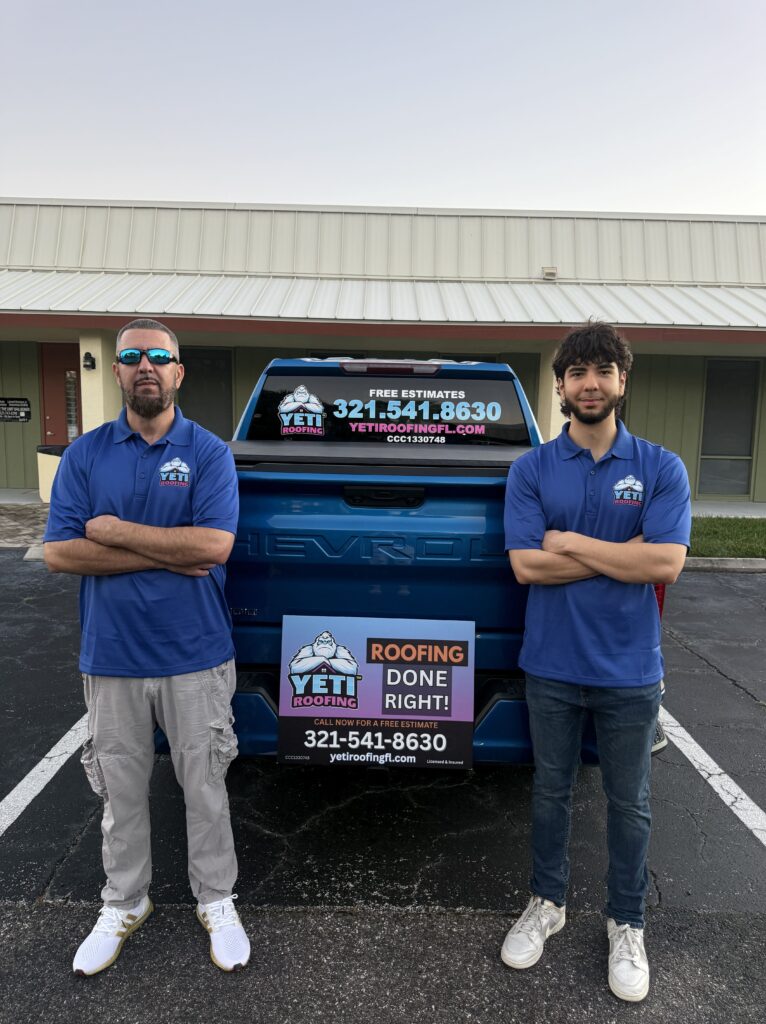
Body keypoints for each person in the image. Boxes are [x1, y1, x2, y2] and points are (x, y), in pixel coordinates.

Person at [44, 318, 250, 976]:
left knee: (205, 788)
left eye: (159, 356)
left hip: (196, 654)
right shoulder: (86, 454)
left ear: (178, 372)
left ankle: (216, 899)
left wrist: (111, 533)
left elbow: (213, 546)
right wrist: (162, 549)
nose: (145, 366)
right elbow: (58, 552)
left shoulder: (210, 453)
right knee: (121, 795)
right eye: (131, 356)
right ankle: (124, 902)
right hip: (112, 658)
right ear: (118, 370)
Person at [501, 321, 690, 1003]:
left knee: (628, 803)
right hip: (550, 664)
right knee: (550, 794)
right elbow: (525, 565)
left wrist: (572, 543)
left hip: (631, 669)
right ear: (560, 386)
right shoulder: (531, 469)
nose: (590, 383)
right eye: (577, 372)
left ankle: (627, 921)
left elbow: (665, 561)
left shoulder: (660, 467)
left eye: (603, 370)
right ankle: (545, 904)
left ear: (622, 380)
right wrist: (621, 556)